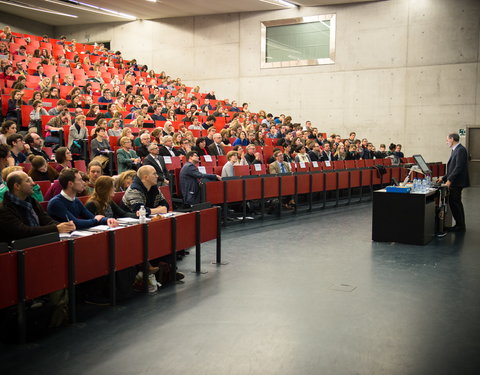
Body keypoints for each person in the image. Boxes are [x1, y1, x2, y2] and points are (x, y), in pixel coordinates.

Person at [0, 171, 75, 243]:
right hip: (20, 249)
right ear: (17, 186)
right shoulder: (4, 208)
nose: (33, 183)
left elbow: (47, 220)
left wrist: (64, 226)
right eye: (27, 181)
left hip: (39, 241)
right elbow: (23, 231)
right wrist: (56, 228)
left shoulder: (32, 201)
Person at [48, 168, 117, 229]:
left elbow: (91, 216)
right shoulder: (56, 203)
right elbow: (75, 223)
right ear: (70, 184)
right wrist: (95, 220)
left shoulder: (75, 200)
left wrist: (107, 220)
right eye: (80, 180)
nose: (83, 183)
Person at [442, 133, 470, 232]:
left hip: (457, 182)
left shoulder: (460, 150)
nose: (446, 142)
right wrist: (444, 178)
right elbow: (452, 168)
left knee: (455, 202)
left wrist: (449, 180)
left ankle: (460, 226)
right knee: (455, 202)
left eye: (447, 140)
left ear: (452, 139)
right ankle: (460, 224)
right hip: (455, 181)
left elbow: (459, 167)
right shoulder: (456, 150)